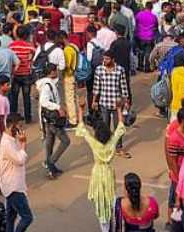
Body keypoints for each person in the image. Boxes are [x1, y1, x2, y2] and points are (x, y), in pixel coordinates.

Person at [74, 101, 127, 232]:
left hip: (97, 173)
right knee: (111, 198)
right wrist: (119, 109)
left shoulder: (94, 143)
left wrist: (81, 109)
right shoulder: (112, 142)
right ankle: (113, 222)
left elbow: (82, 128)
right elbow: (120, 127)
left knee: (100, 200)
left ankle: (104, 226)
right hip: (108, 172)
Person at [92, 50, 130, 157]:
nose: (105, 61)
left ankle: (118, 147)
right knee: (105, 128)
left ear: (113, 60)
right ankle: (105, 147)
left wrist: (126, 101)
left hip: (116, 104)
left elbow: (124, 87)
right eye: (104, 59)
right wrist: (94, 101)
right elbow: (96, 87)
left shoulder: (120, 70)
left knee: (119, 127)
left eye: (107, 59)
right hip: (104, 103)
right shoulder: (99, 70)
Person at [0, 113, 33, 232]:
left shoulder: (12, 139)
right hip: (14, 187)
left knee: (10, 217)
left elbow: (21, 155)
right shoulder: (7, 143)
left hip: (11, 185)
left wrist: (21, 141)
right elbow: (20, 160)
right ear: (11, 126)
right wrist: (23, 143)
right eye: (19, 126)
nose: (21, 129)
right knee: (27, 217)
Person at [37, 63, 70, 178]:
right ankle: (50, 163)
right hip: (52, 119)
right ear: (51, 72)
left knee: (50, 144)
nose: (57, 72)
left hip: (48, 119)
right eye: (55, 70)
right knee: (65, 141)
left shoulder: (47, 83)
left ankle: (51, 168)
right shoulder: (47, 85)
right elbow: (44, 101)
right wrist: (58, 107)